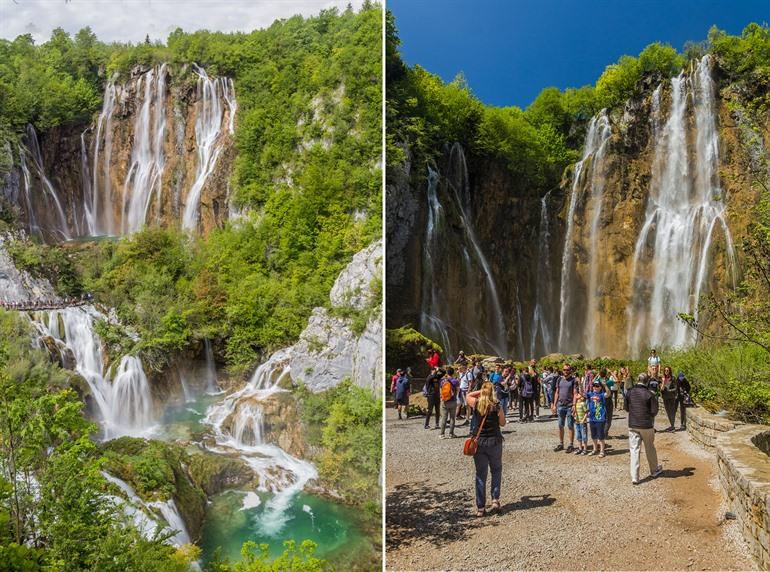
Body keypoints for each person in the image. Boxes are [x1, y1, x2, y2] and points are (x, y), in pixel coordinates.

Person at [466, 381, 506, 517]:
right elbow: (503, 423)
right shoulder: (497, 405)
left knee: (480, 474)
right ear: (493, 392)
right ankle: (495, 500)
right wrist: (490, 394)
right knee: (496, 470)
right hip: (495, 441)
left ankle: (481, 508)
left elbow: (468, 394)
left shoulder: (476, 404)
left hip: (480, 443)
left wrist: (482, 392)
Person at [625, 373, 663, 484]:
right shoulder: (649, 394)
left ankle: (635, 477)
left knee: (634, 450)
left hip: (633, 425)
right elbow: (654, 411)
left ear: (638, 380)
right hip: (646, 425)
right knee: (650, 448)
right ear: (647, 382)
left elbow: (626, 408)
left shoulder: (630, 392)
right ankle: (654, 470)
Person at [551, 364, 578, 452]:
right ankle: (561, 443)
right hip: (560, 405)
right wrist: (554, 404)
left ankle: (571, 444)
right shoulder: (559, 379)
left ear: (570, 370)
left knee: (570, 425)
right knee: (560, 425)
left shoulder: (573, 380)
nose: (565, 371)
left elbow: (575, 393)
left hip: (569, 406)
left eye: (567, 370)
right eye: (564, 369)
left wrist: (574, 405)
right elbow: (557, 392)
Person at [586, 380, 608, 456]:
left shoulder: (602, 395)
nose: (595, 387)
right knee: (593, 435)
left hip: (600, 418)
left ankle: (602, 451)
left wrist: (605, 385)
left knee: (601, 436)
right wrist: (579, 384)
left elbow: (608, 394)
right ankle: (595, 449)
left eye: (597, 386)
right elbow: (582, 394)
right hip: (592, 418)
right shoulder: (590, 394)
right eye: (594, 386)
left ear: (600, 388)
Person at [439, 367, 460, 439]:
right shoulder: (456, 381)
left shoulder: (442, 381)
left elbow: (441, 391)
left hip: (444, 401)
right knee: (452, 418)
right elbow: (457, 391)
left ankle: (442, 434)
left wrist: (442, 398)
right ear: (453, 373)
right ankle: (451, 434)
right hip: (453, 401)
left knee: (444, 418)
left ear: (447, 373)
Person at [595, 368, 614, 439]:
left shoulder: (597, 381)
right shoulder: (608, 381)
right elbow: (617, 380)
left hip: (600, 400)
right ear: (606, 374)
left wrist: (597, 375)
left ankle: (601, 433)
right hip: (608, 400)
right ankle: (605, 434)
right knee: (608, 419)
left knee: (601, 417)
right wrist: (611, 372)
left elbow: (592, 381)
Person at [660, 366, 678, 432]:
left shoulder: (673, 378)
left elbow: (676, 388)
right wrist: (663, 382)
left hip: (671, 397)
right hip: (665, 397)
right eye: (665, 370)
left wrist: (669, 390)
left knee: (672, 412)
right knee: (668, 412)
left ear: (670, 371)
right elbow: (661, 390)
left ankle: (673, 426)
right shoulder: (663, 379)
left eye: (667, 370)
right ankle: (671, 426)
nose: (666, 372)